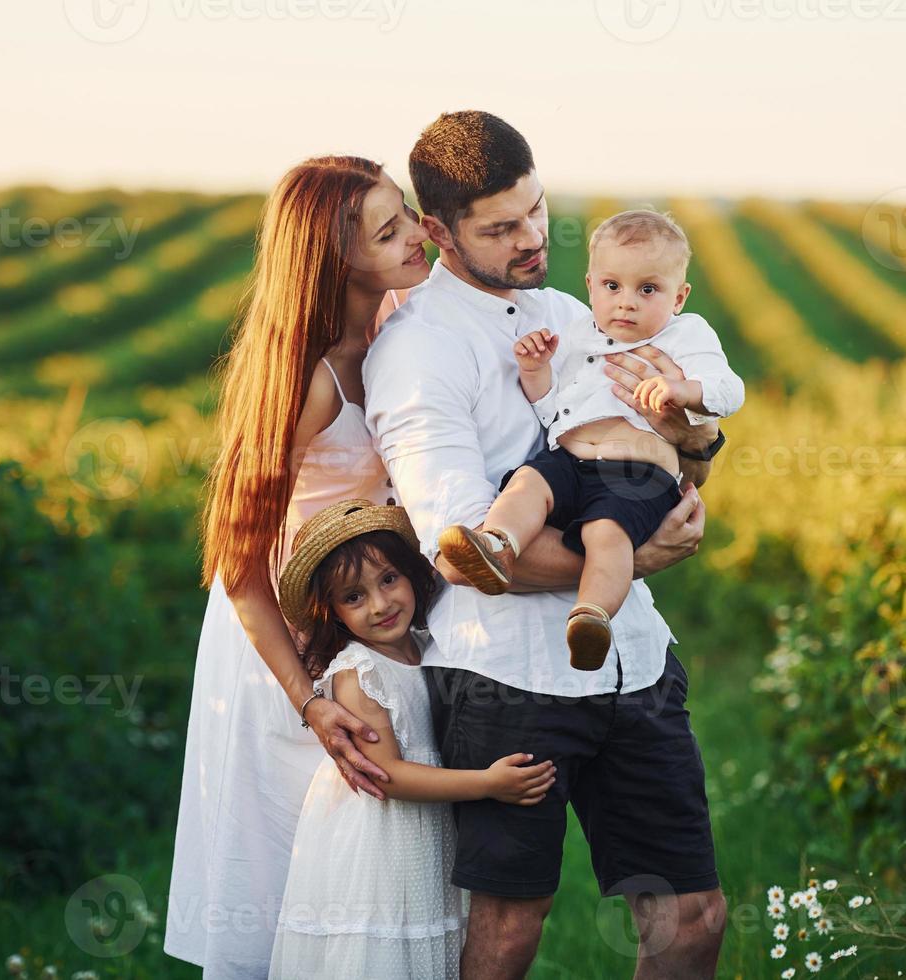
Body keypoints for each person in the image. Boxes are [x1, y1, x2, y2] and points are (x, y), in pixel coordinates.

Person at [362, 111, 728, 978]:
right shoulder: (418, 353)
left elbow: (677, 456)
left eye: (536, 211)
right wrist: (634, 560)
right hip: (507, 678)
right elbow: (460, 552)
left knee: (693, 916)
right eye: (500, 227)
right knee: (508, 932)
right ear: (437, 231)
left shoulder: (578, 309)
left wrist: (700, 442)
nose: (532, 238)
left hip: (631, 664)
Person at [165, 156, 431, 979]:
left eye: (409, 214)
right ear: (334, 259)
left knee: (351, 869)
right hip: (278, 646)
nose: (418, 236)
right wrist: (309, 699)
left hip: (354, 625)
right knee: (282, 866)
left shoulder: (399, 322)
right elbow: (238, 562)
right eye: (389, 232)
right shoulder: (308, 378)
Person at [438, 208, 744, 670]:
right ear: (591, 286)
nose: (626, 303)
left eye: (648, 290)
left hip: (636, 472)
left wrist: (685, 391)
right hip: (571, 459)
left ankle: (592, 615)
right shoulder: (580, 333)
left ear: (679, 297)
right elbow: (553, 409)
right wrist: (535, 371)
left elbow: (729, 389)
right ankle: (498, 545)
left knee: (607, 534)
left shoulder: (685, 334)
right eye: (612, 287)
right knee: (526, 484)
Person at [267, 498, 556, 979]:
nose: (380, 605)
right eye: (354, 597)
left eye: (388, 580)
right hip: (382, 844)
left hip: (421, 838)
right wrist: (488, 783)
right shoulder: (360, 672)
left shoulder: (429, 646)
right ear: (334, 613)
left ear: (411, 574)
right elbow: (390, 776)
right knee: (384, 954)